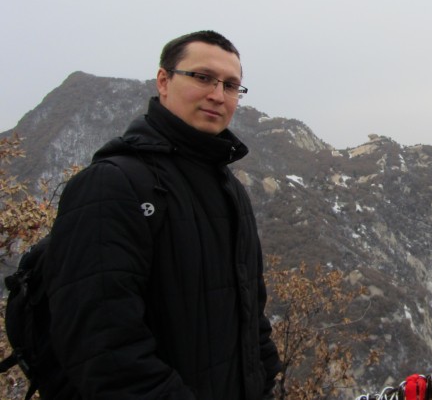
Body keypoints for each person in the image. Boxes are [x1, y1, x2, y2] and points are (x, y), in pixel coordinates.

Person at [43, 31, 282, 399]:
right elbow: (103, 351)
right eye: (202, 77)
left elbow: (252, 317)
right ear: (164, 81)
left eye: (231, 85)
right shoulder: (112, 185)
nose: (218, 95)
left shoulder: (230, 190)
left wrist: (265, 382)